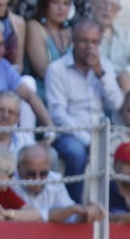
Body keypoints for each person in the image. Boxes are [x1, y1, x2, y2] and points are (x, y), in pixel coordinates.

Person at [45, 19, 112, 202]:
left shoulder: (105, 66)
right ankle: (73, 207)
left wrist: (100, 73)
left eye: (94, 42)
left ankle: (110, 208)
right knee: (76, 153)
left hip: (101, 132)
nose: (89, 47)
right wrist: (88, 140)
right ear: (73, 41)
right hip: (69, 133)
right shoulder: (57, 69)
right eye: (84, 41)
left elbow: (116, 103)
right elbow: (58, 114)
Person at [14, 142, 104, 221]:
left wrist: (86, 214)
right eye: (31, 174)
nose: (37, 179)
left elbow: (72, 218)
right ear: (18, 169)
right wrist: (71, 210)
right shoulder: (9, 184)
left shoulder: (55, 179)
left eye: (43, 173)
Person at [25, 0, 74, 79]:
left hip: (71, 86)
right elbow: (42, 70)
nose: (61, 8)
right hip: (45, 87)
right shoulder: (34, 27)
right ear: (45, 4)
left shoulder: (71, 32)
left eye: (66, 3)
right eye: (55, 2)